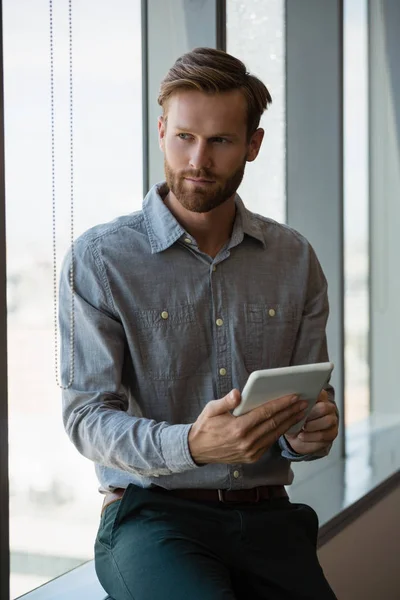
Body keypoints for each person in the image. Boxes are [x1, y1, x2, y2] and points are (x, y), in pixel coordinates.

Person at [60, 47, 339, 600]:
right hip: (152, 519)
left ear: (252, 146)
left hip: (269, 518)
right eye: (184, 137)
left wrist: (310, 431)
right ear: (162, 129)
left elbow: (310, 399)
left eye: (220, 141)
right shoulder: (99, 259)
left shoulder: (295, 258)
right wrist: (191, 444)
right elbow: (86, 418)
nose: (197, 160)